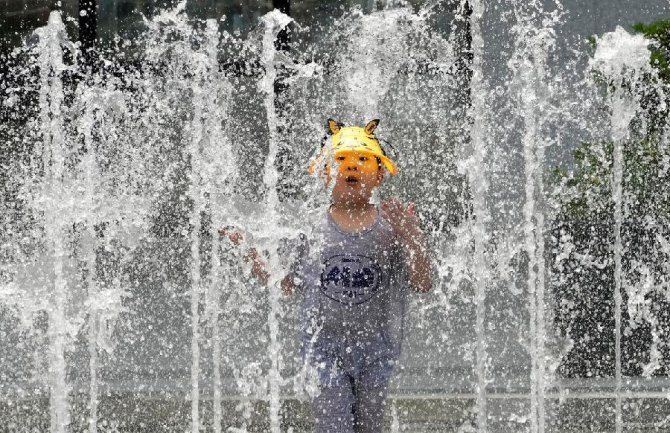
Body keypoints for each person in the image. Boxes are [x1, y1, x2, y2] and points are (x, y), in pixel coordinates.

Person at [219, 118, 432, 433]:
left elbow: (423, 283)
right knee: (334, 424)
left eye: (363, 159)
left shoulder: (391, 227)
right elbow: (286, 284)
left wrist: (412, 238)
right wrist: (251, 254)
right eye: (341, 160)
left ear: (381, 174)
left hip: (378, 348)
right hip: (323, 347)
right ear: (323, 172)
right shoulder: (310, 229)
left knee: (371, 425)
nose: (352, 167)